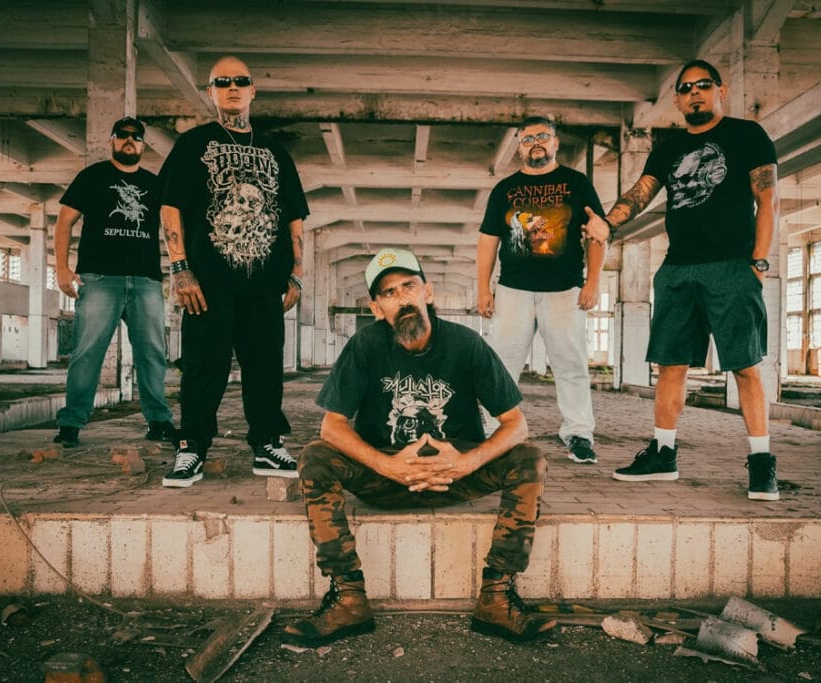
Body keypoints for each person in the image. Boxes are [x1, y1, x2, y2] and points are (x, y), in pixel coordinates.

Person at [284, 247, 555, 646]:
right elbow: (332, 427)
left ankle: (496, 598)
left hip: (456, 477)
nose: (402, 298)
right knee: (315, 458)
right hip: (385, 478)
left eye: (408, 286)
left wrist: (467, 463)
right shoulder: (365, 345)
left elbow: (517, 424)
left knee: (529, 458)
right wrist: (386, 466)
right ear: (377, 309)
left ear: (428, 292)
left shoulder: (466, 344)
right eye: (389, 293)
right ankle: (348, 599)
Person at [583, 59, 781, 501]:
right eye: (686, 88)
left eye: (703, 85)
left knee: (745, 366)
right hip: (677, 269)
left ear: (720, 91)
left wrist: (758, 262)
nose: (695, 93)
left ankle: (761, 463)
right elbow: (641, 192)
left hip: (732, 266)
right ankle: (663, 454)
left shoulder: (747, 135)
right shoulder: (669, 147)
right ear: (676, 100)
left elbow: (767, 199)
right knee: (670, 365)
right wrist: (608, 224)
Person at [158, 56, 308, 488]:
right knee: (204, 367)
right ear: (211, 92)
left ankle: (267, 442)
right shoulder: (193, 144)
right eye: (221, 82)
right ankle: (192, 446)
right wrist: (180, 268)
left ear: (253, 89)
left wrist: (297, 272)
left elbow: (294, 217)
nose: (232, 87)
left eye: (240, 80)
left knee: (265, 367)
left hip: (264, 284)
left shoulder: (276, 152)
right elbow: (170, 206)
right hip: (209, 284)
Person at [477, 116, 607, 465]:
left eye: (543, 136)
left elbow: (596, 234)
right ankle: (493, 430)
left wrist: (593, 282)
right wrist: (483, 289)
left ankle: (579, 434)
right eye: (527, 138)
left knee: (571, 364)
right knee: (502, 364)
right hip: (513, 290)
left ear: (555, 142)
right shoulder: (504, 189)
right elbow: (488, 241)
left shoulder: (576, 183)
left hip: (564, 289)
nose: (535, 142)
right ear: (519, 147)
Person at [53, 116, 177, 449]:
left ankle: (159, 421)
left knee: (153, 354)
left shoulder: (154, 184)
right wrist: (62, 268)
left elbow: (173, 227)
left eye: (136, 137)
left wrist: (182, 271)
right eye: (123, 135)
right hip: (99, 278)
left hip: (146, 280)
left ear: (143, 145)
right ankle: (71, 423)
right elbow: (64, 222)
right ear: (112, 140)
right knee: (87, 353)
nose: (129, 141)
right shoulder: (92, 177)